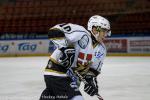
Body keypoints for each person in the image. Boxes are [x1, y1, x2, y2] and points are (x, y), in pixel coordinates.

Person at [39, 15, 111, 100]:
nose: (106, 35)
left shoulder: (101, 49)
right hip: (57, 72)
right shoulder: (81, 33)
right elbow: (54, 30)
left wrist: (90, 82)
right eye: (104, 31)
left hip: (69, 81)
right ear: (95, 29)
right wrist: (65, 49)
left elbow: (93, 71)